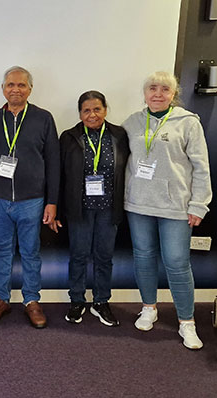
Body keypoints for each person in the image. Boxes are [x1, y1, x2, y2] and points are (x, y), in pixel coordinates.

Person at [122, 71, 211, 350]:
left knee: (176, 262)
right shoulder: (132, 122)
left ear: (174, 95)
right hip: (139, 204)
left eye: (164, 89)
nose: (157, 94)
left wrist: (199, 204)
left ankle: (187, 321)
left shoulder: (188, 123)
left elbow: (201, 166)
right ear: (144, 93)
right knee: (144, 257)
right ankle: (149, 307)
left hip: (176, 206)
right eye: (152, 88)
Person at [0, 66, 60, 329]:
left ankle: (31, 301)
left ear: (30, 89)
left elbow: (54, 162)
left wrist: (52, 201)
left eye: (21, 85)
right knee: (2, 250)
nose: (16, 89)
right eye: (11, 85)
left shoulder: (43, 119)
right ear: (3, 89)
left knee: (31, 252)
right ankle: (1, 298)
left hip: (32, 200)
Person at [55, 90, 129, 327]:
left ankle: (101, 302)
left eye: (97, 109)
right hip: (80, 209)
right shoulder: (68, 137)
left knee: (104, 257)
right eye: (86, 110)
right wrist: (55, 208)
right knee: (78, 256)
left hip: (109, 208)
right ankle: (77, 300)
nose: (92, 114)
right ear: (80, 113)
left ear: (105, 110)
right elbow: (59, 176)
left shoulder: (119, 135)